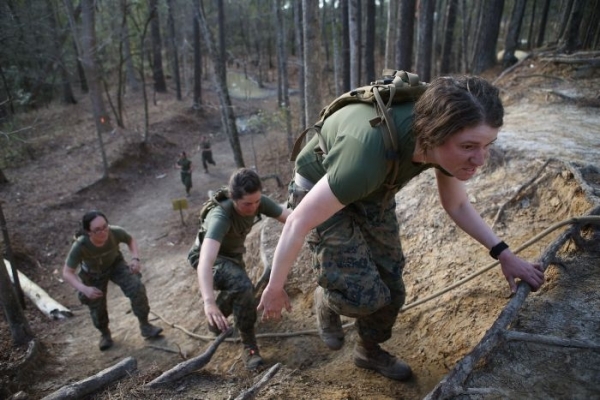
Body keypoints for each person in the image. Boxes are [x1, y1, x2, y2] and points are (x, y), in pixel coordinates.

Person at [257, 76, 545, 381]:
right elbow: (298, 221)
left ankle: (368, 351)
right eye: (469, 146)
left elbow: (457, 205)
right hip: (320, 188)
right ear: (434, 135)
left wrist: (503, 254)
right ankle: (326, 298)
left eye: (488, 145)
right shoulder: (367, 156)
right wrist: (275, 288)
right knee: (361, 296)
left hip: (373, 190)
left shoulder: (439, 141)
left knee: (392, 289)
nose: (480, 159)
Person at [193, 168, 290, 369]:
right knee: (243, 286)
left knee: (241, 290)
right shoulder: (221, 216)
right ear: (233, 197)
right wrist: (208, 302)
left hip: (233, 257)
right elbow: (205, 261)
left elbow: (292, 218)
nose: (253, 208)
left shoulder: (256, 201)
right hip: (209, 257)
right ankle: (249, 346)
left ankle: (216, 320)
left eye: (257, 202)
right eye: (247, 204)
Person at [62, 210, 163, 351]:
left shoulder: (115, 232)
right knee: (96, 305)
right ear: (88, 232)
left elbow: (130, 240)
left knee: (136, 287)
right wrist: (84, 289)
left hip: (116, 264)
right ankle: (104, 333)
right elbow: (67, 272)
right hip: (93, 274)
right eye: (97, 230)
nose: (103, 232)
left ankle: (145, 325)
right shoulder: (80, 246)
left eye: (105, 227)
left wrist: (135, 258)